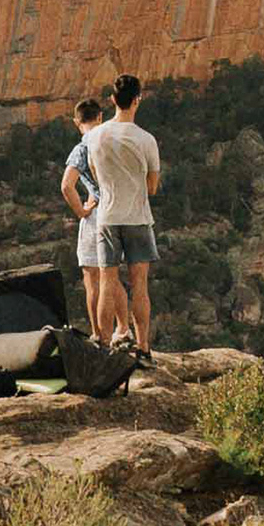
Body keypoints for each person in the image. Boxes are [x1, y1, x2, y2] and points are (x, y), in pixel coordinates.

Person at [80, 72, 161, 357]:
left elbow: (94, 173)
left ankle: (103, 345)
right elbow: (152, 187)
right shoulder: (146, 140)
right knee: (139, 285)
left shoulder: (94, 137)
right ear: (138, 100)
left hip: (107, 217)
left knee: (107, 282)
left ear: (112, 100)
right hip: (137, 217)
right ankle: (143, 347)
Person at [61, 93, 119, 346]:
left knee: (92, 277)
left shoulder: (82, 147)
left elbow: (66, 186)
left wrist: (82, 211)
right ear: (100, 117)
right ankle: (122, 330)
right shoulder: (113, 141)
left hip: (97, 215)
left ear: (77, 122)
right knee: (113, 276)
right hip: (119, 211)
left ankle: (99, 336)